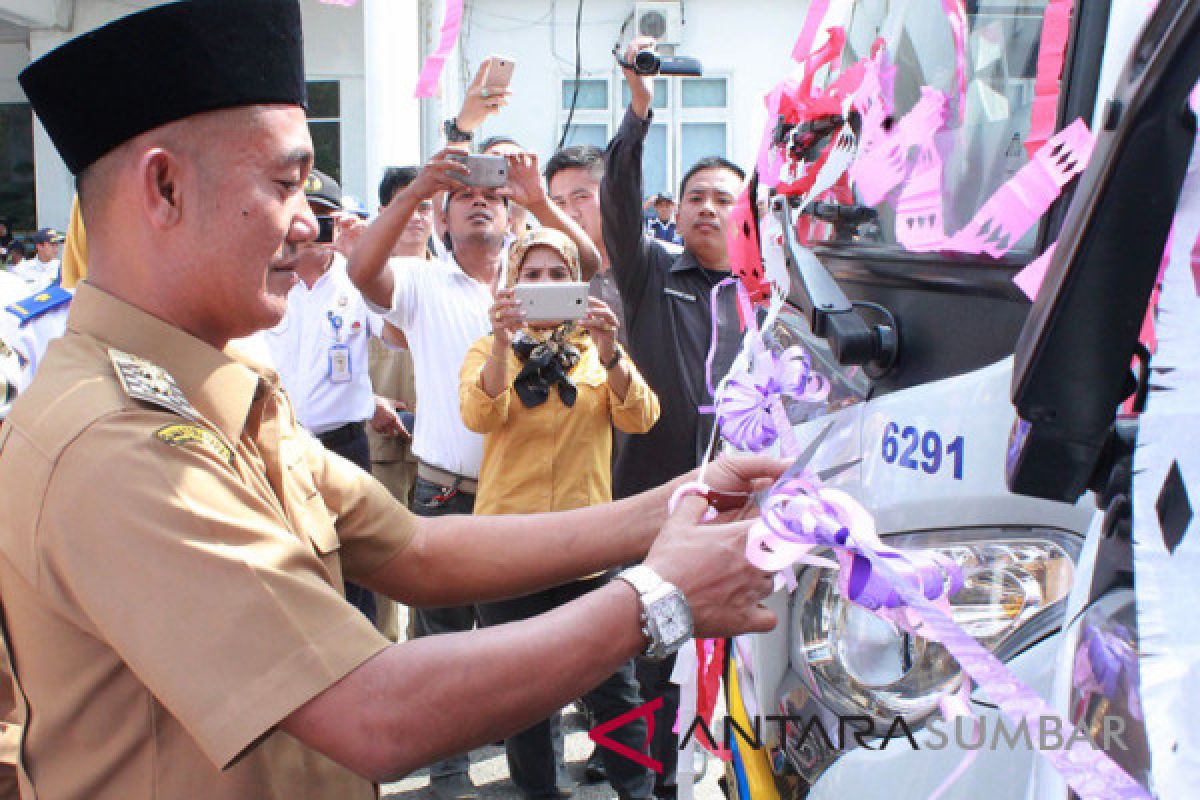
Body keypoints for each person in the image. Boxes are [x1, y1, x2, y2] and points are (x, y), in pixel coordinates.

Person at [2, 3, 780, 799]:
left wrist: (685, 501)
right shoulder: (116, 444)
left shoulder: (222, 388)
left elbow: (415, 550)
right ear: (165, 186)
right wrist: (659, 596)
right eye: (285, 185)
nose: (308, 225)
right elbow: (372, 714)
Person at [348, 149, 603, 800]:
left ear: (511, 214)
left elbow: (591, 264)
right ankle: (449, 773)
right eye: (462, 196)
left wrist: (537, 197)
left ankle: (542, 780)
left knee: (528, 651)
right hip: (448, 490)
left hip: (531, 501)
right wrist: (415, 190)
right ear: (442, 219)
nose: (480, 200)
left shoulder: (538, 273)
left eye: (492, 195)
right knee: (443, 640)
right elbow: (362, 270)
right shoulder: (421, 282)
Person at [602, 36, 750, 800]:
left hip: (740, 515)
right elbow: (618, 203)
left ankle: (733, 775)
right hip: (653, 509)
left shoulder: (766, 298)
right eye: (695, 197)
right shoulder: (652, 271)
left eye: (723, 198)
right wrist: (639, 113)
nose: (706, 207)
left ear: (746, 215)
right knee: (648, 662)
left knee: (737, 663)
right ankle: (645, 785)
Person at [461, 229, 659, 800]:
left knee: (614, 688)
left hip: (587, 550)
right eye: (532, 275)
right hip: (510, 553)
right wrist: (502, 346)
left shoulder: (598, 351)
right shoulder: (486, 348)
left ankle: (638, 792)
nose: (544, 285)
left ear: (576, 283)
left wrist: (611, 353)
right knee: (523, 695)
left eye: (557, 275)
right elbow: (478, 414)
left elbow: (642, 417)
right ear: (512, 283)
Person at [261, 167, 389, 624]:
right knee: (285, 566)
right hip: (273, 445)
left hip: (341, 446)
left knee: (354, 567)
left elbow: (397, 335)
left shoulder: (357, 281)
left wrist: (366, 263)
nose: (311, 233)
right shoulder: (265, 280)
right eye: (304, 217)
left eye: (324, 220)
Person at [366, 165, 427, 641]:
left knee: (437, 562)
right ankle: (384, 650)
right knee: (383, 558)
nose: (416, 217)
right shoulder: (361, 278)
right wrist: (366, 400)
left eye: (425, 206)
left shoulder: (452, 276)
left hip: (439, 447)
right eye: (405, 205)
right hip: (381, 436)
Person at [544, 145, 627, 340]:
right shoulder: (545, 274)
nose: (570, 213)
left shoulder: (653, 265)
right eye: (559, 203)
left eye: (581, 198)